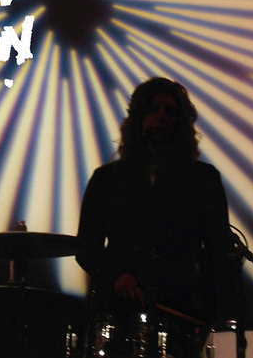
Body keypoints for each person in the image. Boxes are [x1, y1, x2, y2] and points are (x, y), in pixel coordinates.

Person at [76, 77, 240, 358]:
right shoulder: (106, 180)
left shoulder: (203, 180)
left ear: (180, 124)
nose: (162, 117)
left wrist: (225, 321)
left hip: (185, 316)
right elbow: (85, 247)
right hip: (120, 314)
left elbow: (220, 254)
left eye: (170, 112)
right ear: (138, 117)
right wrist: (116, 275)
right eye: (154, 109)